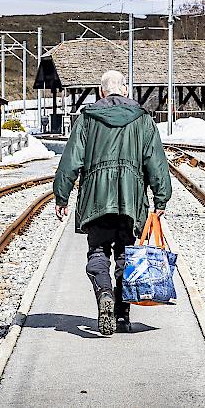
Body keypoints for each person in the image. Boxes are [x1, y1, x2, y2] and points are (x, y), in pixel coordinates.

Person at [53, 70, 172, 336]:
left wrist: (62, 196)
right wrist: (161, 197)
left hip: (95, 198)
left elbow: (71, 161)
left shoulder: (87, 119)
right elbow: (156, 162)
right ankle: (121, 316)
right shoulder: (143, 120)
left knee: (97, 251)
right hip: (131, 200)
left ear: (100, 91)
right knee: (125, 256)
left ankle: (104, 293)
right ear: (126, 90)